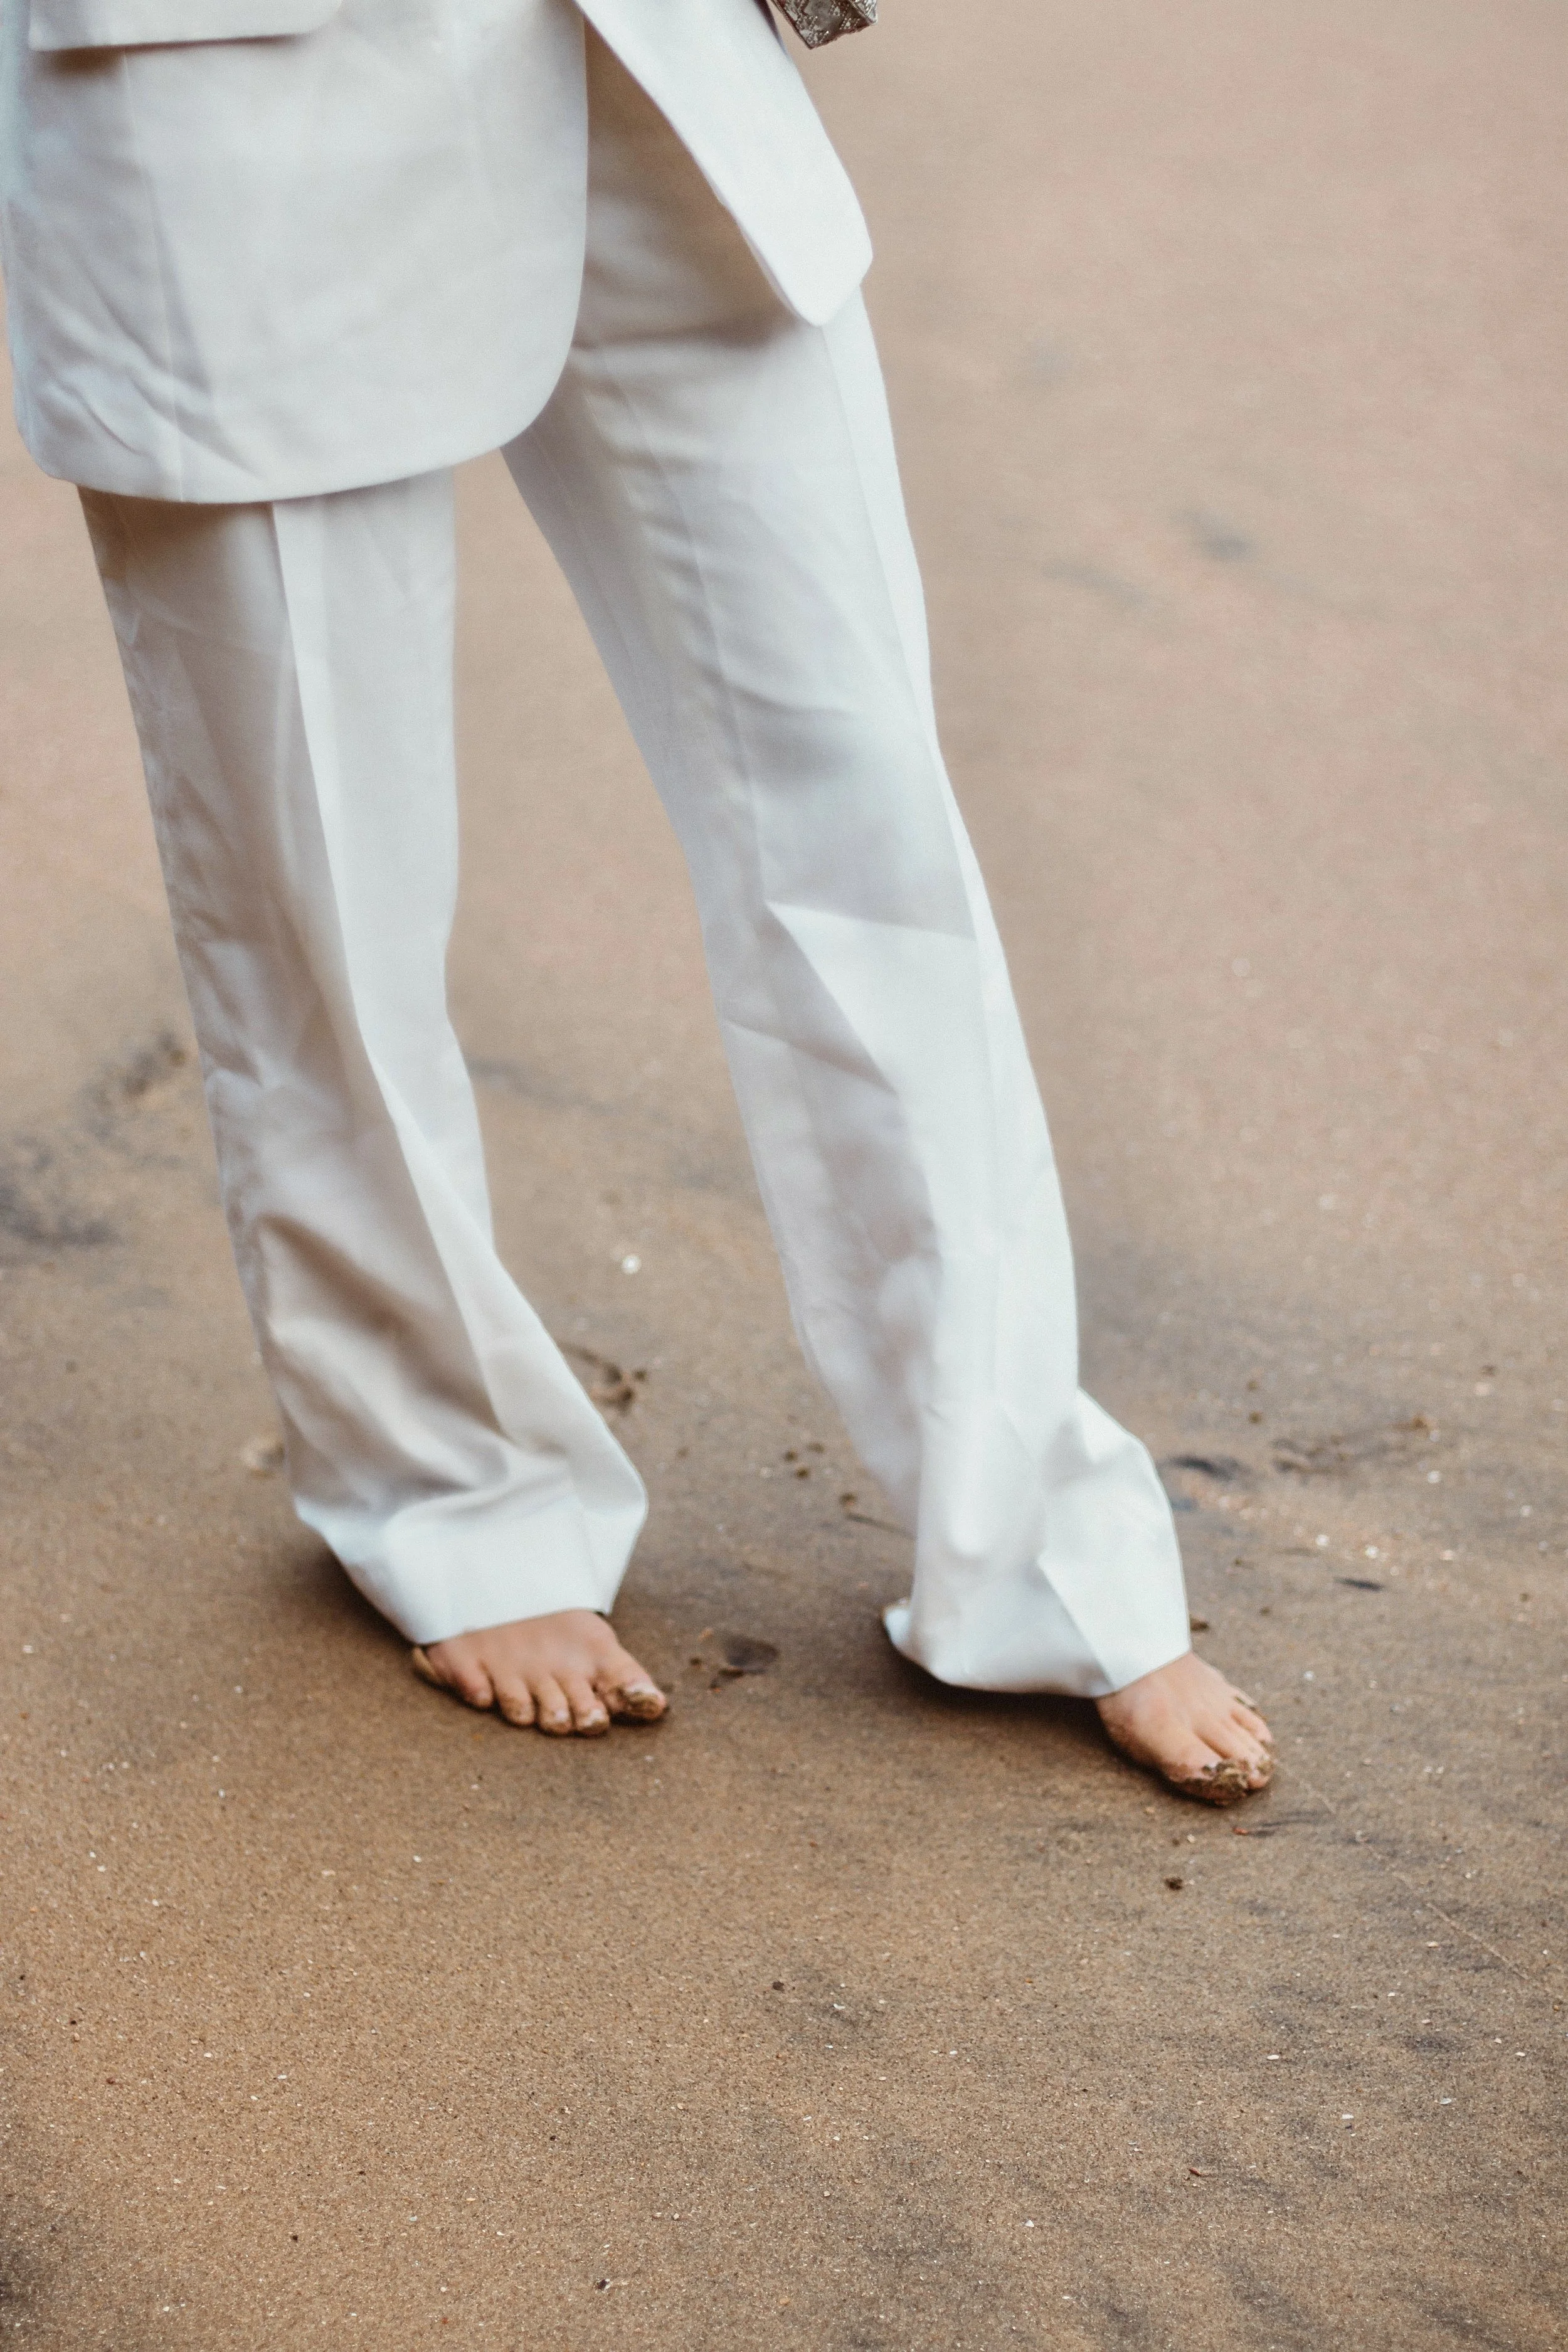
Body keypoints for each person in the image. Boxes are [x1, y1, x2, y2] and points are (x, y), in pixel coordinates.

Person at [0, 0, 1274, 1801]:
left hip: (642, 37)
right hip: (225, 72)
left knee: (859, 784)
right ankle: (453, 1490)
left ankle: (1030, 1529)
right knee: (319, 859)